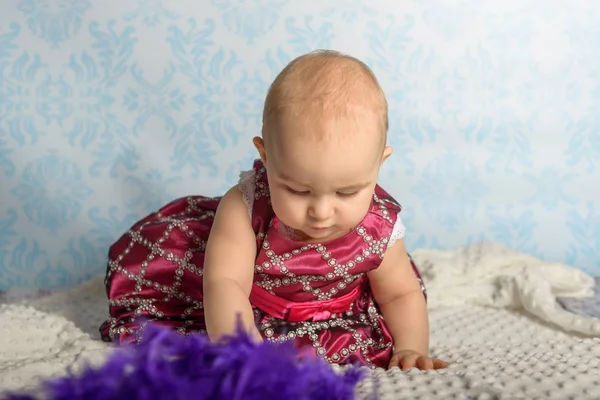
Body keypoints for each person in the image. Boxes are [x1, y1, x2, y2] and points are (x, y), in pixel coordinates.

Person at [100, 49, 448, 371]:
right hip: (248, 308)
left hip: (340, 314)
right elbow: (225, 282)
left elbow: (400, 292)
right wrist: (240, 347)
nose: (322, 212)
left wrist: (411, 347)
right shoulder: (245, 206)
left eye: (347, 192)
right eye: (298, 190)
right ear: (266, 158)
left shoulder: (380, 224)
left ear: (378, 164)